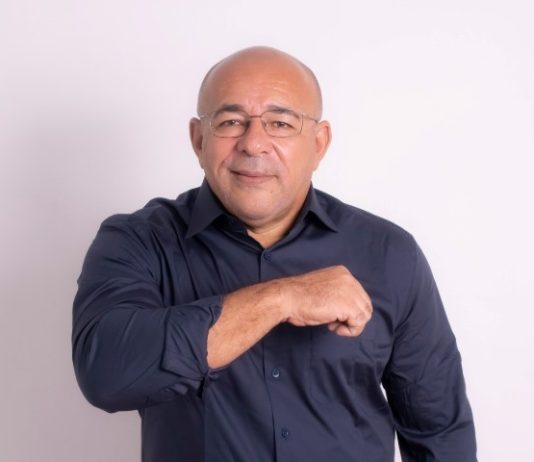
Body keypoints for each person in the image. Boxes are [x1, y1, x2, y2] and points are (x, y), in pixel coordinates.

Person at [72, 46, 477, 462]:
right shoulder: (138, 241)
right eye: (230, 122)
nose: (253, 143)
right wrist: (280, 298)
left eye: (280, 123)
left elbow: (440, 434)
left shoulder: (389, 254)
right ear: (199, 139)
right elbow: (107, 375)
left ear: (319, 143)